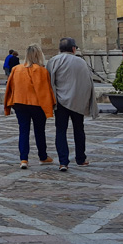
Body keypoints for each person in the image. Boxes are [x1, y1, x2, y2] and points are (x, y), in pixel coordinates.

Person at [47, 37, 98, 171]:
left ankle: (63, 162)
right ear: (74, 49)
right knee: (79, 129)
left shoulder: (54, 61)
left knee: (61, 130)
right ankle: (80, 158)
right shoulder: (81, 62)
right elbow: (88, 83)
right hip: (78, 102)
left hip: (60, 101)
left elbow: (49, 81)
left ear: (60, 49)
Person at [4, 44, 55, 169]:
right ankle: (43, 156)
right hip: (37, 105)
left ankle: (24, 159)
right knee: (39, 131)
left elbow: (10, 87)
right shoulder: (42, 71)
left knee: (23, 131)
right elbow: (46, 90)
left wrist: (8, 105)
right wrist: (51, 105)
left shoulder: (16, 69)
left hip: (19, 103)